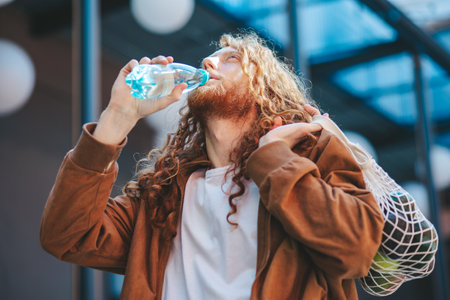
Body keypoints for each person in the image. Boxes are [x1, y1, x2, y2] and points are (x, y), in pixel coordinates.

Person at [40, 32, 384, 299]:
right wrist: (117, 117)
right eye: (208, 58)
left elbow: (356, 249)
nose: (208, 64)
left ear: (265, 86)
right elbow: (66, 236)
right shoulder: (163, 197)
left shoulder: (309, 152)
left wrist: (273, 158)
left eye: (230, 58)